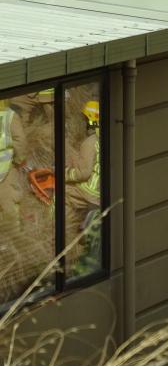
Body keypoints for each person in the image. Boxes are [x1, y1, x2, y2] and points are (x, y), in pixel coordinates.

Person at [65, 100, 101, 273]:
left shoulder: (90, 142)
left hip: (89, 191)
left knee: (61, 195)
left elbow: (84, 173)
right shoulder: (107, 137)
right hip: (101, 193)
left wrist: (64, 175)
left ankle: (57, 229)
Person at [0, 99, 27, 236]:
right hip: (5, 169)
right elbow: (20, 141)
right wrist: (18, 161)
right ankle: (13, 239)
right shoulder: (10, 116)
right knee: (9, 204)